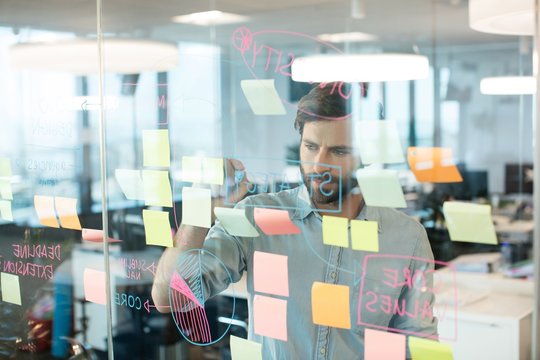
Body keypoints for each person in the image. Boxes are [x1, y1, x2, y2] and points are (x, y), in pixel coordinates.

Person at [152, 83, 438, 358]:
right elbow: (169, 298)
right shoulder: (258, 218)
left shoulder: (406, 238)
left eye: (339, 151)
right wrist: (201, 206)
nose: (317, 165)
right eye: (311, 147)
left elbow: (418, 343)